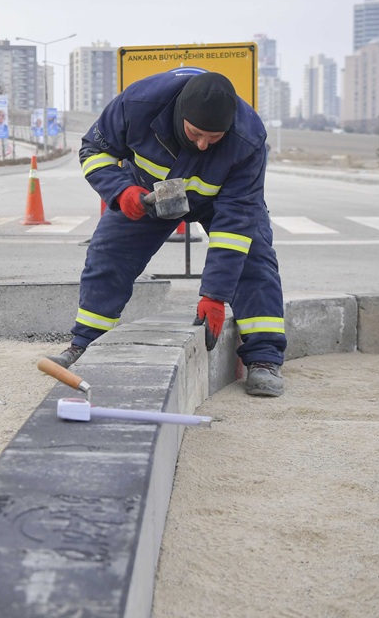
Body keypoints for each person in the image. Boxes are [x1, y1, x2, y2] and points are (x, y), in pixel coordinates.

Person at [47, 70, 287, 397]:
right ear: (180, 114)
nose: (203, 144)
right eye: (196, 133)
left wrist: (214, 295)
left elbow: (235, 226)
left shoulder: (248, 137)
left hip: (224, 203)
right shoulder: (137, 104)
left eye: (214, 138)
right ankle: (85, 344)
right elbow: (93, 151)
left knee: (253, 258)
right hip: (150, 192)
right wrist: (122, 192)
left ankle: (263, 359)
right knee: (109, 256)